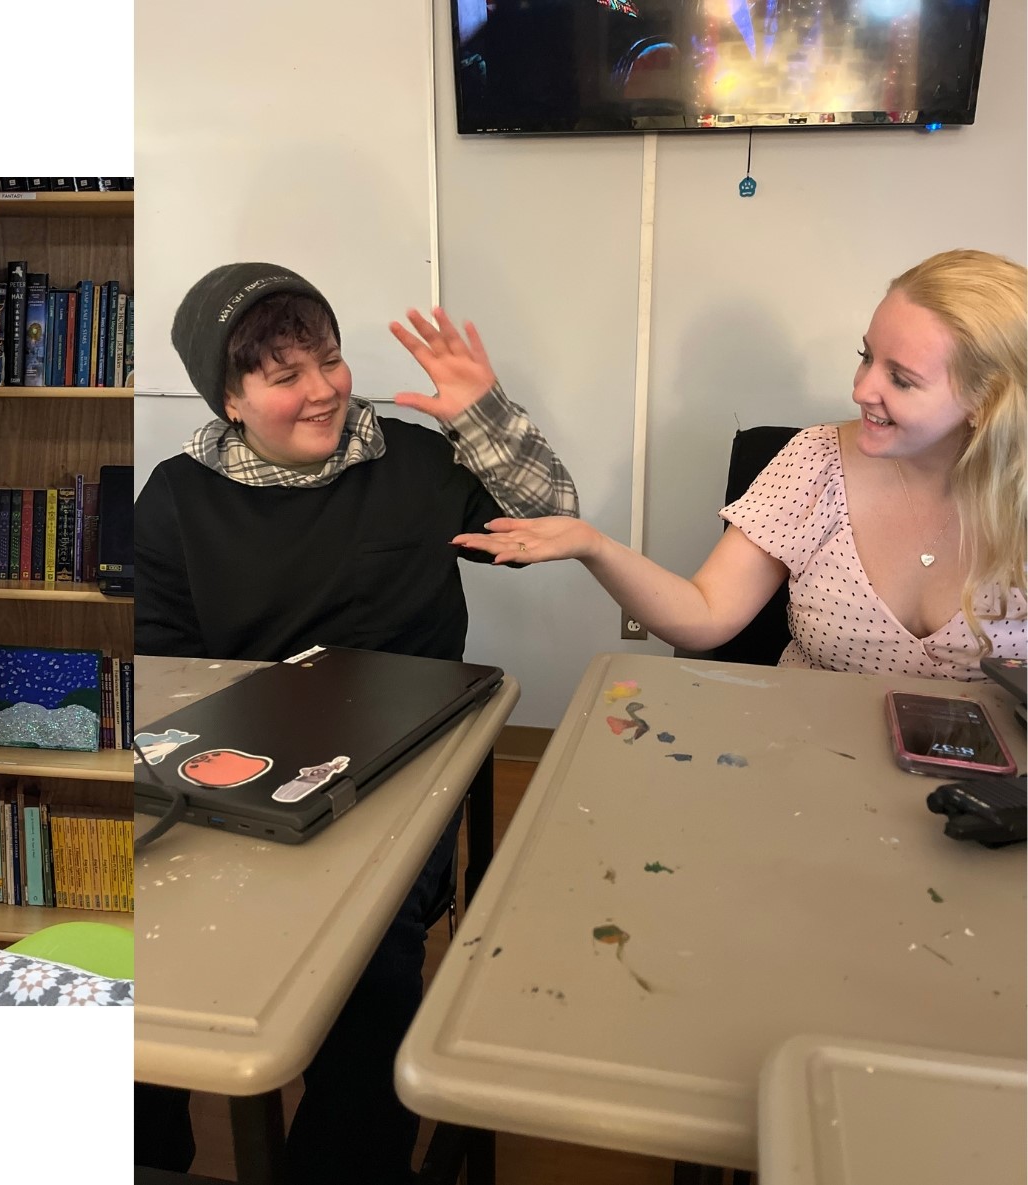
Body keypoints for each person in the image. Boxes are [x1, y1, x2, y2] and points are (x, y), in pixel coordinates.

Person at [134, 263, 579, 1183]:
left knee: (372, 975)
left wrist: (482, 412)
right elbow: (159, 667)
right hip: (235, 771)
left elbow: (552, 522)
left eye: (329, 360)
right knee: (155, 959)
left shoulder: (413, 459)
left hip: (408, 766)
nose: (323, 389)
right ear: (229, 397)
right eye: (284, 374)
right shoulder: (177, 498)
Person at [453, 248, 1026, 678]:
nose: (861, 390)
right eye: (866, 357)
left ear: (987, 402)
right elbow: (705, 614)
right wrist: (593, 545)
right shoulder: (814, 460)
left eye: (900, 379)